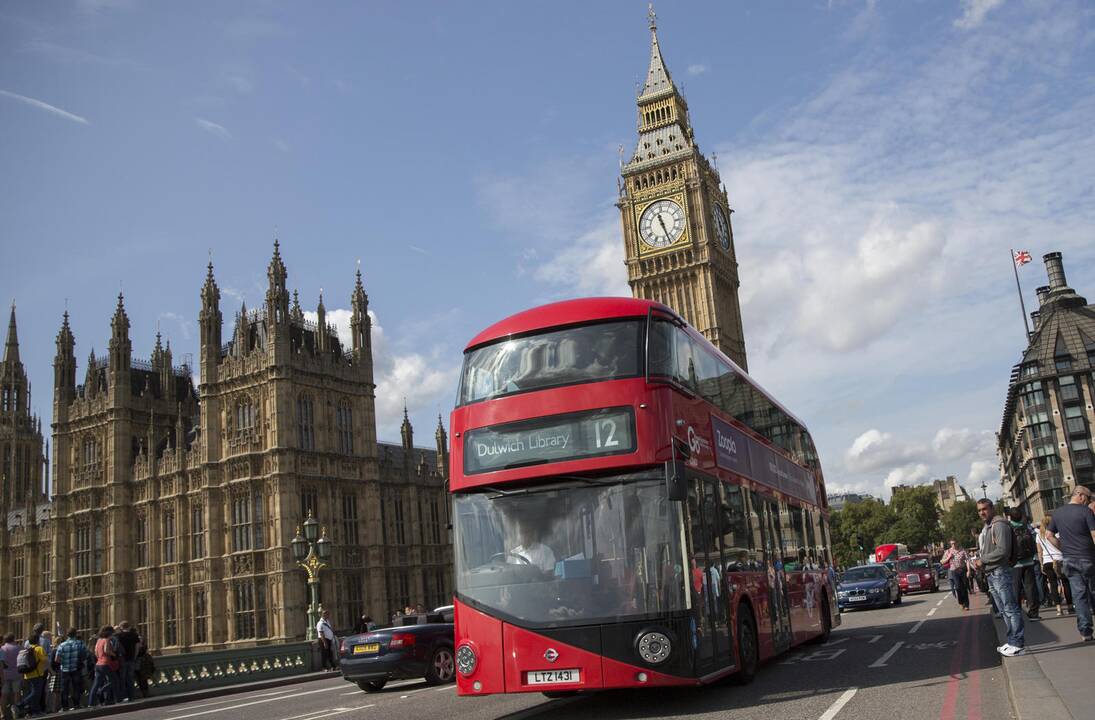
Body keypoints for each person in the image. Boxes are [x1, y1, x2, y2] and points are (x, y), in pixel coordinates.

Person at [975, 498, 1025, 656]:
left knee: (1010, 608)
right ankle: (1011, 641)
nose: (982, 512)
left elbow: (1003, 550)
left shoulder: (999, 524)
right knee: (1003, 610)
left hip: (1000, 571)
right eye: (979, 510)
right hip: (992, 573)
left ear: (992, 508)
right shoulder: (988, 526)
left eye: (985, 509)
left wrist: (982, 560)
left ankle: (1017, 643)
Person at [1045, 485, 1095, 642]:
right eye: (1086, 499)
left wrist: (1062, 547)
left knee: (1079, 596)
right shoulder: (1085, 511)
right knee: (1092, 592)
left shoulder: (1058, 513)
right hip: (1087, 557)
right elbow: (1094, 534)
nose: (1086, 502)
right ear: (1080, 495)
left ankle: (1086, 631)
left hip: (1069, 559)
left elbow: (1048, 535)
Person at [1037, 515, 1073, 615]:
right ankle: (1070, 606)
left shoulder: (1039, 535)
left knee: (1053, 584)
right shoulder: (1057, 533)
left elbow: (1039, 551)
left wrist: (1041, 563)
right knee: (1065, 583)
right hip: (1060, 559)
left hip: (1047, 561)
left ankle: (1058, 608)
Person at [1008, 508, 1040, 619]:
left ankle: (1017, 612)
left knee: (1015, 588)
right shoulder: (1027, 526)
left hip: (1015, 563)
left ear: (1010, 517)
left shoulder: (1009, 528)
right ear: (1021, 516)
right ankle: (1033, 613)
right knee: (1030, 587)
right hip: (1029, 560)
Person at [54, 629, 88, 711]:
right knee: (76, 687)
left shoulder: (62, 645)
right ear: (75, 634)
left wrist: (64, 662)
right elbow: (85, 655)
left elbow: (57, 659)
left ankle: (64, 706)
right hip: (76, 668)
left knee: (64, 688)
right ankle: (76, 704)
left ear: (67, 635)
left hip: (65, 670)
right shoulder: (80, 643)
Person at [16, 635, 47, 717]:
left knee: (35, 694)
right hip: (37, 674)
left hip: (27, 675)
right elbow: (44, 660)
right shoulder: (39, 649)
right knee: (36, 693)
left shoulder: (26, 649)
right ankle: (21, 704)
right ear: (38, 641)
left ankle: (36, 712)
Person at [89, 625, 120, 706]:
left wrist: (100, 658)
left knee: (96, 684)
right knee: (114, 681)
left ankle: (91, 702)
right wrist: (114, 655)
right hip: (106, 664)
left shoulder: (98, 641)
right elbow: (107, 650)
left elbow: (95, 652)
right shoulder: (106, 640)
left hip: (98, 664)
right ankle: (105, 693)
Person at [115, 621, 140, 702]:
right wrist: (134, 657)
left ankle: (123, 696)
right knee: (130, 678)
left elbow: (115, 647)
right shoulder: (134, 635)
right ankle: (131, 696)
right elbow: (137, 647)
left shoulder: (118, 636)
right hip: (131, 659)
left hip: (122, 659)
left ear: (121, 627)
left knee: (122, 678)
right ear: (129, 627)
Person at [941, 540, 970, 610]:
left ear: (957, 543)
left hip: (962, 570)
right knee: (958, 587)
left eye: (954, 543)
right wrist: (948, 557)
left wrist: (969, 570)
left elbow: (967, 560)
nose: (953, 545)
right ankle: (961, 603)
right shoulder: (948, 551)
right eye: (952, 544)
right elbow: (942, 561)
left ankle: (966, 605)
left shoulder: (962, 550)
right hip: (954, 571)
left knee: (964, 587)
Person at [1, 634, 21, 720]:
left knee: (4, 695)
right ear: (13, 639)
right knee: (16, 693)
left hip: (4, 674)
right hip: (16, 673)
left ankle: (2, 713)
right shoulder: (19, 648)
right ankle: (15, 711)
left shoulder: (2, 649)